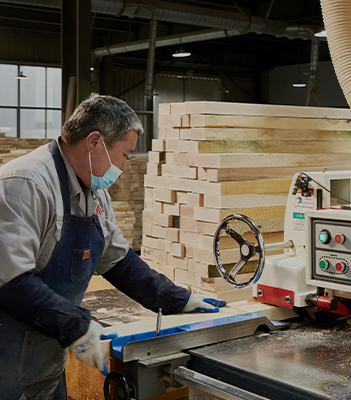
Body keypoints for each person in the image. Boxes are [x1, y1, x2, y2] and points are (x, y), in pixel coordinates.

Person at [0, 93, 226, 399]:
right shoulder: (26, 184)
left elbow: (119, 262)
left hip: (45, 353)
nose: (124, 166)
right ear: (94, 142)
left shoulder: (93, 189)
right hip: (7, 353)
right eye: (125, 155)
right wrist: (75, 325)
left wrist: (178, 299)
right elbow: (11, 281)